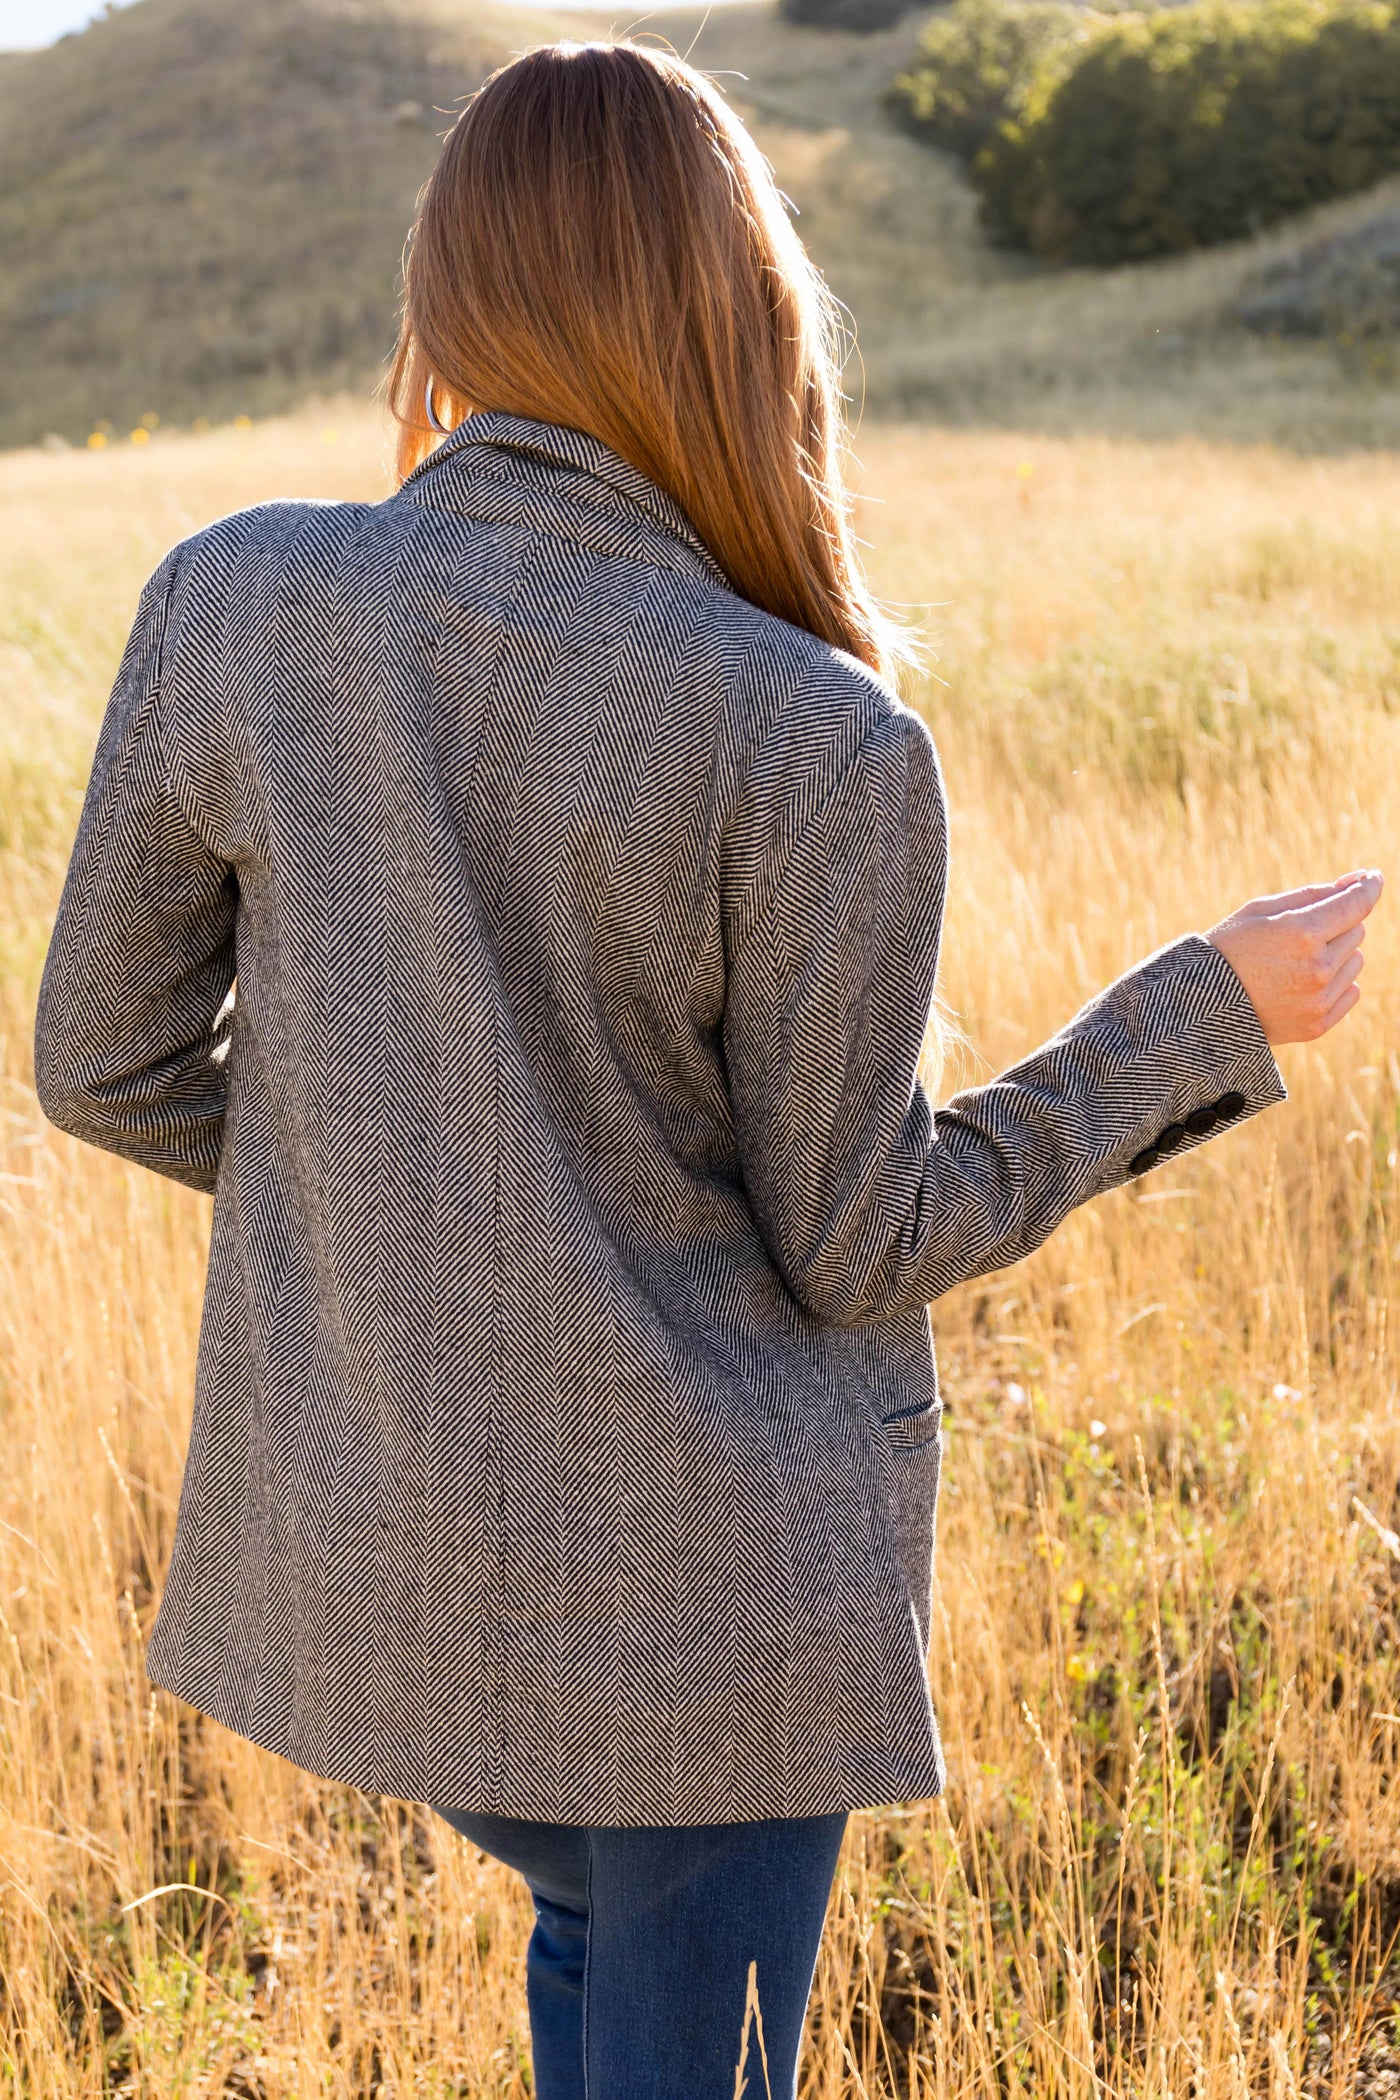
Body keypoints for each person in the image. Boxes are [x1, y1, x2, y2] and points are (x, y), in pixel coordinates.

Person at [33, 37, 1380, 2100]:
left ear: (451, 288)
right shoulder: (812, 732)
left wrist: (409, 1167)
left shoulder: (235, 605)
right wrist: (1193, 1013)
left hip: (406, 1600)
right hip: (703, 1641)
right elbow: (861, 1243)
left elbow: (103, 1065)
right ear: (740, 309)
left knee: (589, 1945)